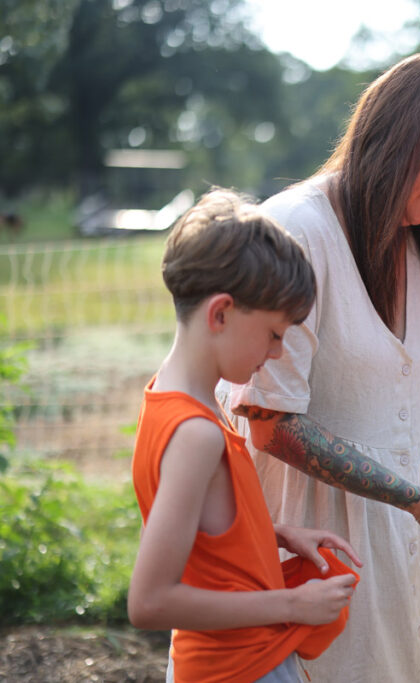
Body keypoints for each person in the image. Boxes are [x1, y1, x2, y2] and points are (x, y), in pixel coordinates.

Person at [223, 52, 420, 681]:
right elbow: (269, 422)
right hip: (314, 554)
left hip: (400, 539)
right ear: (394, 133)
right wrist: (417, 499)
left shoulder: (415, 243)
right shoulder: (295, 232)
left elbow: (409, 383)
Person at [128, 188, 364, 683]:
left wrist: (272, 534)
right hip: (238, 668)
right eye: (275, 334)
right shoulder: (196, 435)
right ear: (221, 314)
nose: (277, 353)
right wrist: (293, 603)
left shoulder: (172, 399)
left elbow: (198, 537)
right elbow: (150, 602)